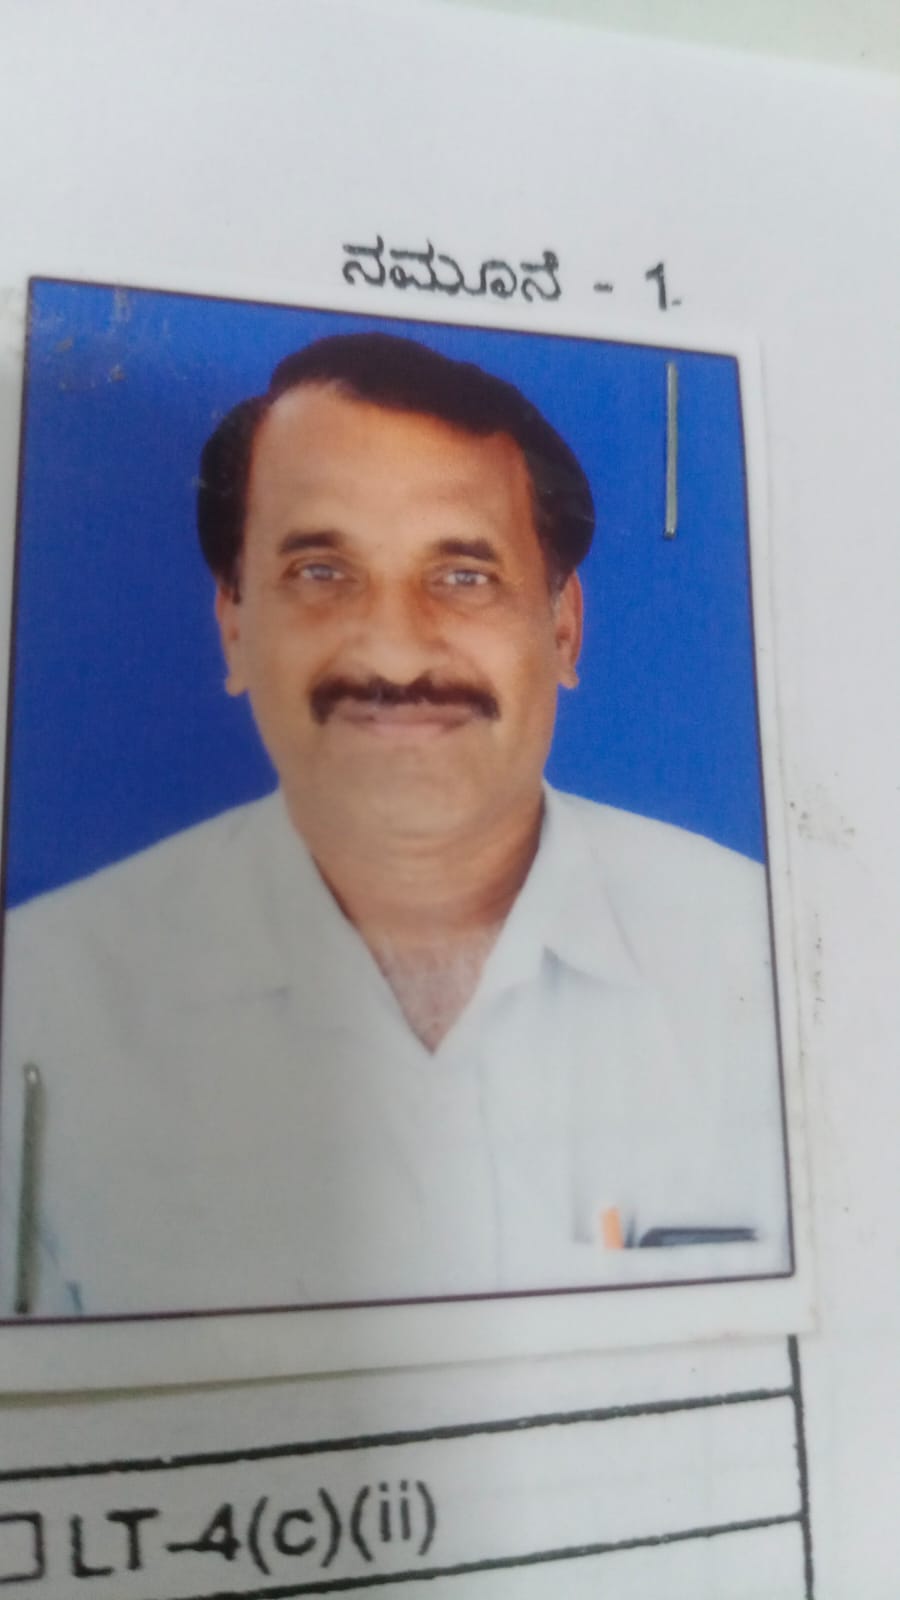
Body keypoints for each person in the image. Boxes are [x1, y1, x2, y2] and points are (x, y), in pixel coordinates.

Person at [0, 332, 789, 1317]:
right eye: (321, 571)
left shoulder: (769, 960)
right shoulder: (44, 1000)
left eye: (463, 575)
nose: (396, 652)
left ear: (563, 626)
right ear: (234, 625)